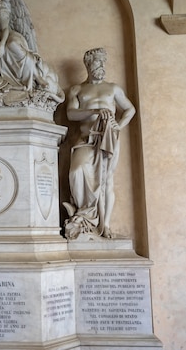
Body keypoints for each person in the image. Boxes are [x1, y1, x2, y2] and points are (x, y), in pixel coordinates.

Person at [65, 48, 135, 238]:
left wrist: (118, 126)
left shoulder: (113, 88)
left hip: (108, 138)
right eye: (97, 63)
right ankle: (85, 214)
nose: (101, 66)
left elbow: (130, 110)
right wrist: (95, 111)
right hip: (85, 139)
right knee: (76, 171)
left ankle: (106, 225)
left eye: (103, 63)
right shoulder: (77, 90)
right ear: (88, 65)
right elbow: (71, 114)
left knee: (106, 181)